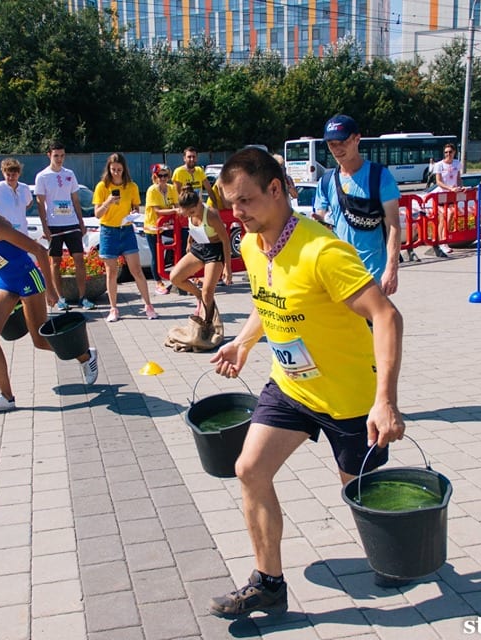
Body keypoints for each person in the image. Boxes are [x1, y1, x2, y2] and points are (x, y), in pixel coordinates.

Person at [207, 147, 405, 619]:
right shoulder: (253, 245)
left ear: (276, 190)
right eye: (231, 204)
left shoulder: (323, 251)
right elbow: (269, 299)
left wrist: (385, 402)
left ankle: (399, 554)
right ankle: (268, 583)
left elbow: (387, 315)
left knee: (361, 496)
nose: (237, 215)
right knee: (249, 469)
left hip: (350, 396)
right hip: (292, 388)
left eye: (245, 202)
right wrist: (243, 342)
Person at [0, 175, 98, 414]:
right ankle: (6, 397)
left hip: (28, 279)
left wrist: (50, 289)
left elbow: (38, 250)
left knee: (39, 340)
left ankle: (84, 354)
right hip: (6, 282)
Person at [313, 115, 401, 295]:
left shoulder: (379, 176)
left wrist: (391, 269)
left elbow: (393, 225)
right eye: (331, 144)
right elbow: (320, 221)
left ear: (356, 139)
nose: (337, 149)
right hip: (338, 274)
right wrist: (318, 223)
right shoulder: (326, 181)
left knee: (374, 323)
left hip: (372, 276)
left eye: (342, 142)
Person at [93, 153, 158, 322]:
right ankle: (113, 308)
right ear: (108, 169)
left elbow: (136, 207)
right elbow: (98, 214)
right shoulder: (102, 186)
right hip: (108, 232)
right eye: (113, 169)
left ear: (124, 170)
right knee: (111, 272)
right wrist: (108, 202)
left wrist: (134, 213)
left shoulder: (132, 186)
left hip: (127, 229)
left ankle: (148, 305)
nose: (116, 173)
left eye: (119, 170)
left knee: (136, 270)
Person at [33, 141, 94, 311]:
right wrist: (45, 226)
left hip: (71, 222)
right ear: (49, 155)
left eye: (62, 156)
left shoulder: (70, 174)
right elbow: (40, 202)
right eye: (56, 156)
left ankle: (83, 297)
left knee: (79, 259)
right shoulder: (42, 176)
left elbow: (75, 199)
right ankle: (61, 299)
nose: (59, 159)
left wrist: (81, 222)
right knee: (55, 262)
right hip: (54, 225)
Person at [169, 186, 232, 321]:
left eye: (192, 211)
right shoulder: (188, 212)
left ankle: (208, 322)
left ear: (199, 203)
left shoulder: (211, 214)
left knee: (207, 292)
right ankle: (199, 297)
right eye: (188, 214)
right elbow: (193, 228)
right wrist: (188, 241)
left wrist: (228, 266)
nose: (191, 215)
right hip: (199, 246)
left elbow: (226, 240)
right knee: (175, 277)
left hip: (215, 249)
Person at [144, 164, 179, 295]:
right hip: (153, 226)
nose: (163, 178)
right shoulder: (152, 190)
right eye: (160, 176)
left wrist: (177, 210)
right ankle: (158, 282)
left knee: (184, 239)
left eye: (166, 175)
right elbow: (158, 211)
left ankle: (181, 274)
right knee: (156, 255)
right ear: (155, 177)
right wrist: (175, 210)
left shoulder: (171, 188)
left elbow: (176, 204)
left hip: (168, 225)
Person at [0, 157, 33, 235]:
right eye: (8, 175)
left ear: (19, 174)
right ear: (3, 173)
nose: (11, 178)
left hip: (22, 233)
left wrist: (17, 210)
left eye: (14, 175)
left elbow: (29, 203)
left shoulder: (24, 188)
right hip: (4, 233)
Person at [431, 142, 463, 255]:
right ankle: (442, 242)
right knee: (445, 216)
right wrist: (449, 188)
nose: (448, 154)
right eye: (446, 152)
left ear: (454, 152)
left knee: (449, 217)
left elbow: (458, 178)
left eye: (450, 152)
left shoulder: (457, 163)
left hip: (452, 194)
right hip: (442, 194)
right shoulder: (439, 165)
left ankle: (443, 241)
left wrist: (459, 187)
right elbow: (439, 181)